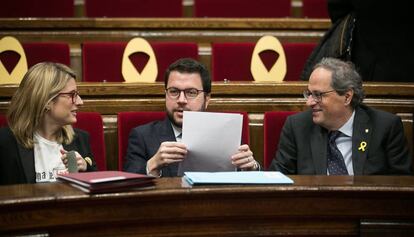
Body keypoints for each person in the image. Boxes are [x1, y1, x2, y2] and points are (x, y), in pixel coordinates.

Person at [270, 57, 412, 175]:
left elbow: (402, 184)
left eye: (318, 95)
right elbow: (278, 177)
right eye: (309, 94)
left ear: (347, 97)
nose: (309, 102)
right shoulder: (297, 127)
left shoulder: (385, 127)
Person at [123, 58, 259, 177]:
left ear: (207, 99)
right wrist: (152, 166)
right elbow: (128, 190)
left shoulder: (228, 133)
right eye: (174, 91)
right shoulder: (142, 136)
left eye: (191, 92)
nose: (181, 100)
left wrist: (252, 168)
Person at [0, 62, 97, 185]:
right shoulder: (6, 143)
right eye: (72, 95)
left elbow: (96, 196)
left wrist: (86, 169)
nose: (80, 102)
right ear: (46, 100)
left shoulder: (80, 140)